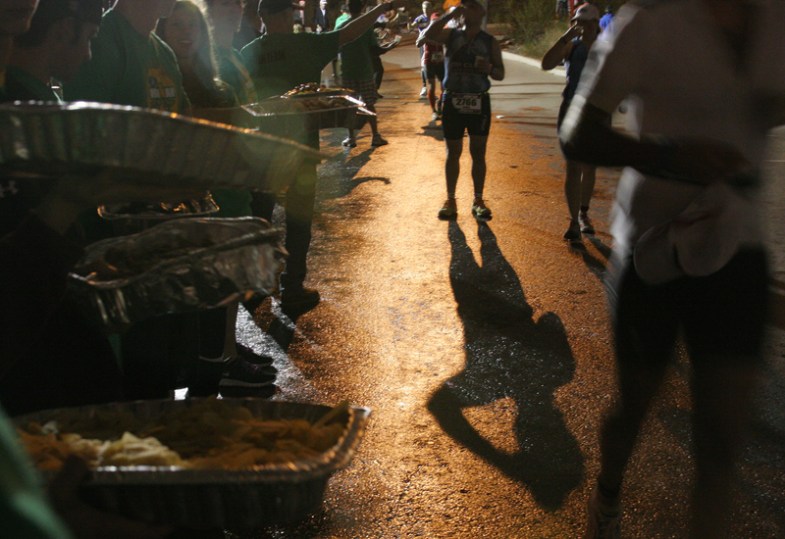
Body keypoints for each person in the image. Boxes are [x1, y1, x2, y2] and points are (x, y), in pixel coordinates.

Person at [558, 0, 785, 537]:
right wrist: (668, 154)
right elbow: (577, 133)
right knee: (634, 408)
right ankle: (607, 495)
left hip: (738, 246)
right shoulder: (649, 21)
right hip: (654, 247)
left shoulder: (775, 19)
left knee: (721, 442)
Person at [241, 0, 405, 314]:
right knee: (298, 220)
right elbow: (350, 33)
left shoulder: (247, 53)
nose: (288, 17)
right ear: (287, 14)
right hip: (300, 153)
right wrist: (380, 8)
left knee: (259, 220)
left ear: (261, 16)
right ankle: (292, 288)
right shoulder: (306, 44)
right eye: (286, 12)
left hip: (261, 152)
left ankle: (256, 285)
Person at [157, 0, 276, 397]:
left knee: (229, 283)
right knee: (211, 288)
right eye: (176, 25)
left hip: (231, 190)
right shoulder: (166, 76)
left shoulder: (211, 73)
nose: (185, 32)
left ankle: (225, 354)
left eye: (191, 25)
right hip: (198, 199)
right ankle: (215, 363)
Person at [417, 0, 504, 221]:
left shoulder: (489, 41)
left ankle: (478, 200)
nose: (467, 9)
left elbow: (500, 73)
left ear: (482, 12)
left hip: (479, 100)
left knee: (478, 152)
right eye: (465, 6)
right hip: (453, 100)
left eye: (472, 6)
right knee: (452, 152)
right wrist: (450, 15)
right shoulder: (451, 35)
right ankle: (450, 200)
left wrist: (489, 68)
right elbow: (428, 34)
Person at [541, 2, 601, 241]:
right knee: (573, 166)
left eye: (586, 23)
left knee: (590, 165)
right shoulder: (571, 46)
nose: (582, 27)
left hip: (596, 112)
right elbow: (546, 64)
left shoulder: (607, 48)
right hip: (571, 110)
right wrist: (565, 37)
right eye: (578, 22)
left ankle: (584, 213)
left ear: (596, 23)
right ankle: (574, 221)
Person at [5, 0, 101, 101]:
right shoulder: (40, 107)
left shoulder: (7, 88)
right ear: (66, 30)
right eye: (89, 37)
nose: (87, 54)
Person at [337, 0, 394, 148]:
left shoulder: (341, 26)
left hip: (347, 71)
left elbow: (335, 48)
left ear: (348, 8)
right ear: (362, 8)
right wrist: (389, 47)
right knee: (369, 105)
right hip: (364, 71)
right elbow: (374, 50)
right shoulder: (366, 27)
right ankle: (375, 136)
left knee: (350, 106)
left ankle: (351, 138)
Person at [420, 10, 444, 121]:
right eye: (434, 21)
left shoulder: (443, 32)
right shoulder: (426, 31)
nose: (436, 24)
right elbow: (418, 43)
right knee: (432, 86)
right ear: (431, 21)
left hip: (440, 62)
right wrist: (425, 39)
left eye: (438, 22)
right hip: (429, 61)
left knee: (444, 87)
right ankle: (434, 111)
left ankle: (440, 105)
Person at [410, 0, 432, 98]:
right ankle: (424, 87)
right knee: (424, 65)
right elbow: (411, 26)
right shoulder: (419, 19)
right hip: (424, 44)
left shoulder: (434, 18)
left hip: (434, 44)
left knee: (435, 65)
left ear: (431, 9)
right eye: (424, 8)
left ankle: (433, 89)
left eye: (427, 8)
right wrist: (408, 23)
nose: (425, 10)